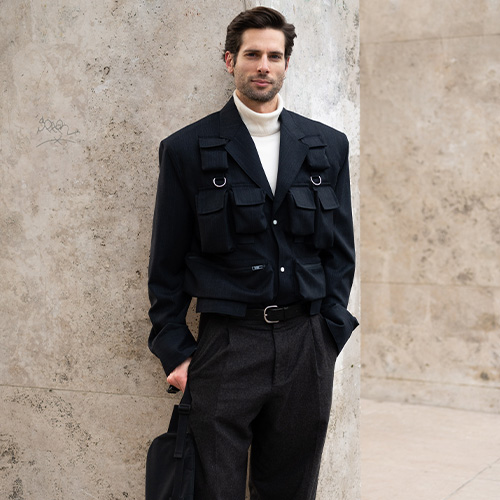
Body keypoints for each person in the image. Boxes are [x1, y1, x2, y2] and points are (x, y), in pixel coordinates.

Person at [148, 6, 358, 499]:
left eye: (274, 56)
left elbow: (341, 252)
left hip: (307, 343)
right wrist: (176, 350)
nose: (263, 65)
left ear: (286, 63)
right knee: (212, 489)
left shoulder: (328, 146)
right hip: (227, 344)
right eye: (252, 55)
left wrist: (330, 333)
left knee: (290, 489)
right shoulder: (186, 149)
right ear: (230, 60)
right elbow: (166, 263)